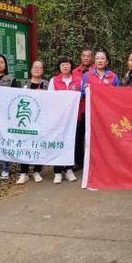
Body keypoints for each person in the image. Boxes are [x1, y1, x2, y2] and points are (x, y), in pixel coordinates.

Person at [49, 56, 83, 184]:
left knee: (71, 143)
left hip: (74, 118)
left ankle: (69, 169)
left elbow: (83, 96)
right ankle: (57, 171)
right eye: (62, 64)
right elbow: (50, 99)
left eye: (67, 64)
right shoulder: (54, 81)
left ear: (71, 66)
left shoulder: (78, 80)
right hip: (59, 119)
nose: (65, 66)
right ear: (59, 67)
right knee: (58, 143)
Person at [16, 60, 49, 184]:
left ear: (43, 70)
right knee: (25, 144)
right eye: (35, 67)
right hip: (26, 120)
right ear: (30, 70)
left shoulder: (47, 84)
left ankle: (36, 171)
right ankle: (23, 172)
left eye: (40, 67)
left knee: (39, 144)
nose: (37, 69)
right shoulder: (23, 84)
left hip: (41, 119)